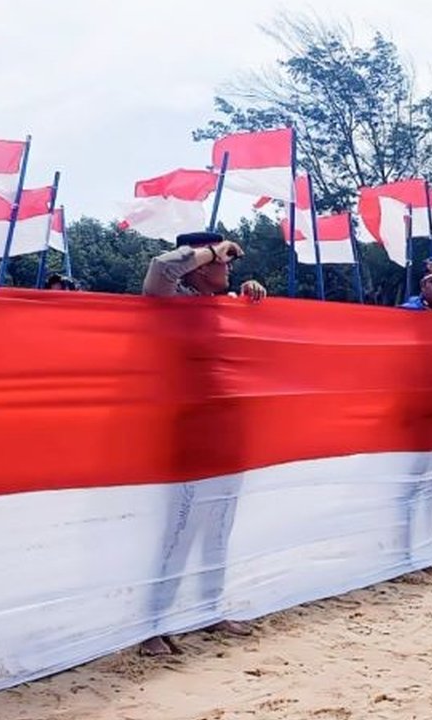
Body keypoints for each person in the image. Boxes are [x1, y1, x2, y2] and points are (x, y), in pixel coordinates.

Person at [139, 230, 263, 657]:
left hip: (229, 432)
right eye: (222, 261)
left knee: (219, 530)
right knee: (178, 533)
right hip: (189, 433)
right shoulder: (172, 304)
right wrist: (211, 250)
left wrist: (250, 296)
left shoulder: (228, 307)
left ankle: (211, 610)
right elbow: (160, 269)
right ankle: (151, 626)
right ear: (199, 266)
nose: (228, 267)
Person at [142, 231, 267, 301]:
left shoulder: (220, 303)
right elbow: (162, 266)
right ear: (202, 267)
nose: (230, 269)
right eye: (225, 262)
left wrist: (246, 300)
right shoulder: (166, 296)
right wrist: (214, 252)